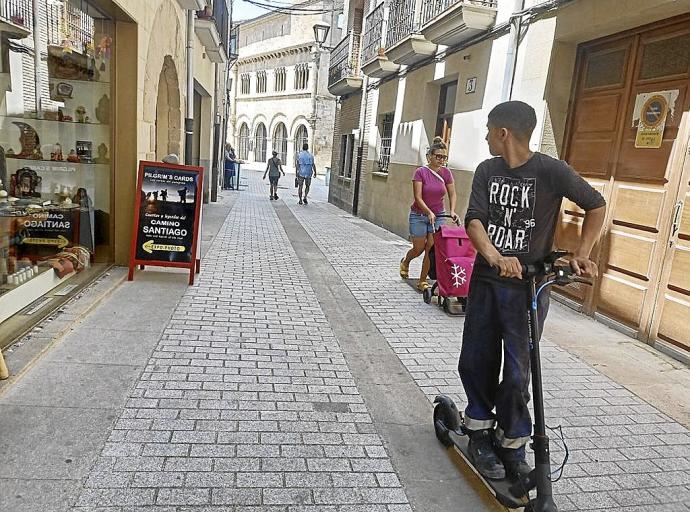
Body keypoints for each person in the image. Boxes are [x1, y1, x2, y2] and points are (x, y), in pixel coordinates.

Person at [459, 101, 606, 482]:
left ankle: (512, 442)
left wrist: (582, 253)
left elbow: (596, 205)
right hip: (489, 281)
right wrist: (494, 255)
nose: (487, 136)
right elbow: (474, 220)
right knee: (478, 358)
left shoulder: (550, 170)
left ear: (503, 133)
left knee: (519, 370)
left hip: (529, 287)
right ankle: (477, 430)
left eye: (489, 130)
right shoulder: (487, 170)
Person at [399, 137, 458, 291]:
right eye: (438, 156)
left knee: (431, 248)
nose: (441, 160)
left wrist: (452, 211)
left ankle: (422, 280)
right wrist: (428, 212)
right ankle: (406, 261)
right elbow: (418, 197)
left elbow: (452, 194)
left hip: (438, 215)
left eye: (444, 157)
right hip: (418, 215)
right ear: (430, 156)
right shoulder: (420, 172)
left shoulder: (446, 173)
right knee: (418, 248)